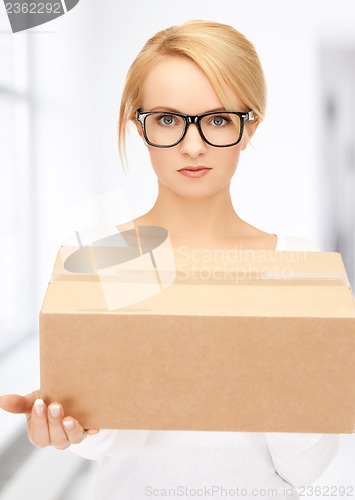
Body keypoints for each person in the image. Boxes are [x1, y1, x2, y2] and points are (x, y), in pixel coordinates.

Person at [0, 20, 339, 500]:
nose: (193, 144)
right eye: (167, 118)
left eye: (218, 119)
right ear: (140, 126)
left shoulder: (298, 266)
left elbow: (305, 468)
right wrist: (72, 424)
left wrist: (264, 365)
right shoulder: (104, 257)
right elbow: (118, 440)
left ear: (251, 125)